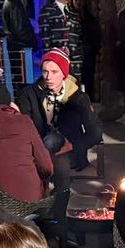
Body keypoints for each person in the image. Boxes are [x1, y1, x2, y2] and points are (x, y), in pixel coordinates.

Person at [14, 47, 103, 191]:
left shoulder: (78, 98)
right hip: (38, 148)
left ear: (64, 74)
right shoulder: (30, 94)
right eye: (45, 71)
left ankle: (56, 199)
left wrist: (73, 145)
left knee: (58, 159)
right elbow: (25, 125)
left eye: (54, 72)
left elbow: (95, 132)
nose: (49, 77)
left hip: (70, 148)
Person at [39, 0, 82, 78]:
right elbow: (45, 36)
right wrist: (50, 57)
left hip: (74, 60)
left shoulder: (73, 12)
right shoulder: (47, 11)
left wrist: (78, 53)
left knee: (74, 87)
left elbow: (78, 35)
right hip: (57, 58)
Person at [0, 0, 35, 85]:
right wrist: (32, 40)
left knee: (19, 78)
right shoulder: (14, 4)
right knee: (23, 79)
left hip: (15, 45)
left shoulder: (9, 2)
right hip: (20, 48)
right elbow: (19, 29)